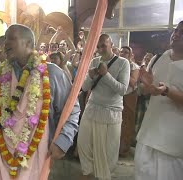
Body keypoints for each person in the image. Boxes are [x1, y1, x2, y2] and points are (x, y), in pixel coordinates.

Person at [0, 24, 80, 180]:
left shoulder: (52, 72)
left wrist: (64, 140)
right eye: (5, 38)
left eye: (11, 38)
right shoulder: (0, 72)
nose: (5, 43)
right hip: (1, 152)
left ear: (29, 43)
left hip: (35, 152)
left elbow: (72, 108)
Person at [77, 34, 130, 180]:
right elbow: (85, 87)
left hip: (111, 111)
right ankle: (87, 173)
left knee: (108, 151)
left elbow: (122, 90)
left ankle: (103, 176)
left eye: (103, 45)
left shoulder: (123, 63)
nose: (100, 49)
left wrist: (106, 75)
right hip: (92, 108)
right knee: (84, 144)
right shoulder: (94, 61)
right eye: (98, 46)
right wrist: (90, 76)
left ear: (111, 44)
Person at [135, 21, 183, 180]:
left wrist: (167, 91)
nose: (176, 35)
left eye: (182, 33)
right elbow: (146, 90)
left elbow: (164, 91)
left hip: (173, 143)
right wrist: (145, 86)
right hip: (148, 134)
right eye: (176, 30)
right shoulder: (158, 58)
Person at [119, 46, 139, 157]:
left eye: (126, 52)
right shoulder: (116, 63)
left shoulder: (134, 66)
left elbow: (133, 82)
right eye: (121, 52)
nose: (123, 54)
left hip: (129, 96)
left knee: (127, 123)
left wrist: (124, 69)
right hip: (117, 96)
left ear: (131, 55)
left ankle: (124, 149)